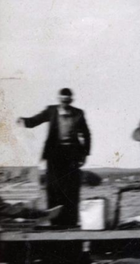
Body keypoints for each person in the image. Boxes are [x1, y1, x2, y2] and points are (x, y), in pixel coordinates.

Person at [17, 88, 91, 226]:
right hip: (54, 155)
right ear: (59, 99)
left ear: (71, 100)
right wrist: (23, 121)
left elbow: (86, 134)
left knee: (71, 189)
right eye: (62, 99)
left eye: (67, 99)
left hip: (72, 156)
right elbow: (35, 120)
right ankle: (55, 221)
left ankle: (71, 221)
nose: (65, 102)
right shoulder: (51, 111)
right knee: (53, 188)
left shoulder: (78, 113)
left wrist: (85, 154)